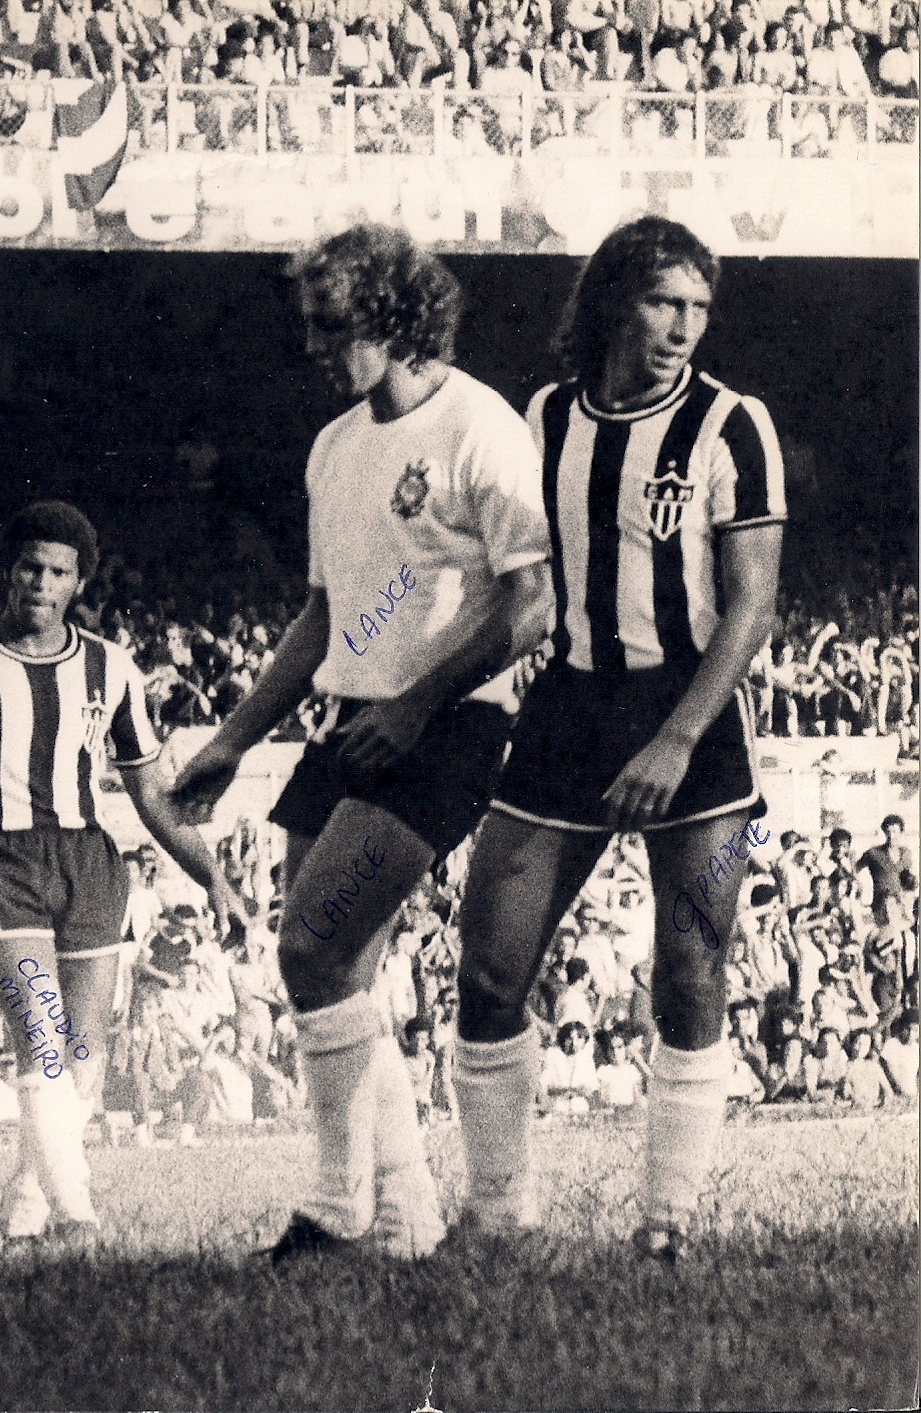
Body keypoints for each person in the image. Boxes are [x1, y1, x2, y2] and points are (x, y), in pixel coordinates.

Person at [173, 225, 554, 1262]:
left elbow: (528, 606)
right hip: (348, 724)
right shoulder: (334, 446)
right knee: (326, 974)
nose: (311, 343)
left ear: (394, 316)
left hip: (446, 726)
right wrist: (232, 740)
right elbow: (317, 619)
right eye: (306, 322)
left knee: (311, 945)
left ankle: (335, 1212)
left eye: (328, 323)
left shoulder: (478, 426)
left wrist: (417, 705)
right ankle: (402, 1217)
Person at [448, 216, 786, 1262]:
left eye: (696, 308)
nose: (682, 327)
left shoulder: (733, 425)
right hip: (566, 714)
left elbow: (750, 605)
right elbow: (512, 583)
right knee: (488, 966)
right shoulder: (539, 419)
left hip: (696, 728)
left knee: (689, 973)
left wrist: (678, 740)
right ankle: (498, 1214)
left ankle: (664, 1225)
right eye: (661, 303)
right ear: (609, 303)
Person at [0, 500, 243, 1240]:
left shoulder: (109, 666)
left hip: (88, 863)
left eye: (59, 571)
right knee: (41, 1035)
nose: (41, 581)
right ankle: (79, 1212)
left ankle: (27, 1201)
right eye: (30, 565)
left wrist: (211, 875)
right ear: (8, 569)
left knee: (84, 1058)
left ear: (78, 582)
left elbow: (152, 793)